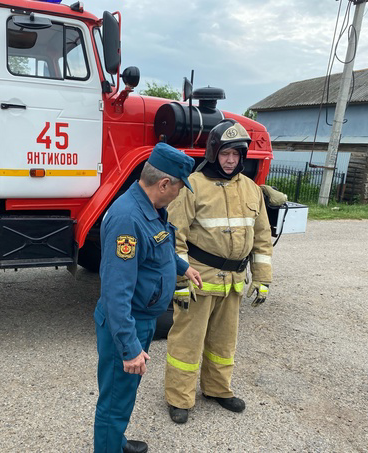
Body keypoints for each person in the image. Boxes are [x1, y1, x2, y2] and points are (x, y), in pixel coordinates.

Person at [93, 142, 202, 453]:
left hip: (142, 319)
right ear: (164, 184)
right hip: (127, 324)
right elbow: (116, 293)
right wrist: (129, 348)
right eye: (181, 187)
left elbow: (157, 248)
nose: (180, 194)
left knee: (123, 394)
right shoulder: (129, 218)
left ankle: (116, 442)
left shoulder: (150, 208)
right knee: (115, 400)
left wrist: (183, 266)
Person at [164, 119, 273, 424]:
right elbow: (175, 236)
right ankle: (179, 398)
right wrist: (180, 280)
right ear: (214, 152)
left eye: (236, 154)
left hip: (234, 283)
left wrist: (262, 279)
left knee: (223, 344)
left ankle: (217, 389)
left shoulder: (251, 190)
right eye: (226, 153)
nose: (231, 160)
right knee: (187, 343)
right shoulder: (192, 186)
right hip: (198, 281)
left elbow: (262, 238)